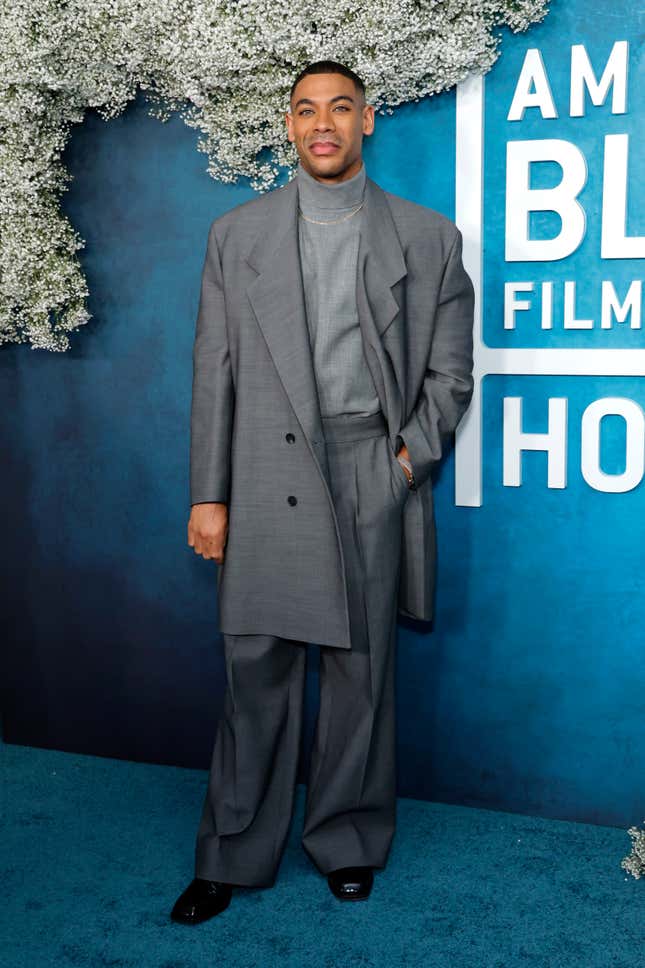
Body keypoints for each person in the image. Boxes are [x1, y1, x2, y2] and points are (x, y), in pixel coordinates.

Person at [171, 59, 474, 925]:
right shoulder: (236, 235)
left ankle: (346, 840)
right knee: (253, 670)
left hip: (368, 469)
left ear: (367, 121)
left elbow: (451, 376)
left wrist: (404, 463)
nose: (322, 123)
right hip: (263, 470)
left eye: (339, 107)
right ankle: (230, 854)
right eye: (306, 110)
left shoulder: (427, 238)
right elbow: (213, 371)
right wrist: (209, 494)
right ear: (289, 124)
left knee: (360, 674)